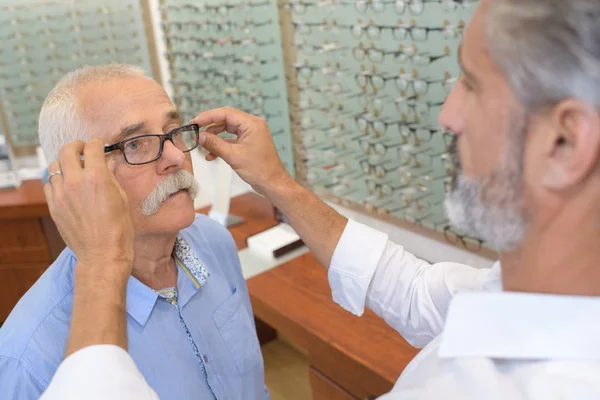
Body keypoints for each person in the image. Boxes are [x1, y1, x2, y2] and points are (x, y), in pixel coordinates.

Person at [43, 0, 600, 398]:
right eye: (138, 143)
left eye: (471, 83)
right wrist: (280, 187)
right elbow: (418, 293)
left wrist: (99, 269)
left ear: (565, 140)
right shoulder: (547, 297)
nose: (446, 114)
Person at [0, 64, 269, 400]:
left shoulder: (214, 240)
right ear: (78, 178)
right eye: (136, 144)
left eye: (173, 131)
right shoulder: (28, 361)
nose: (174, 156)